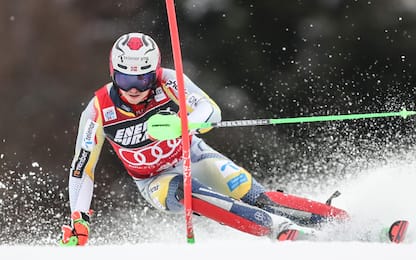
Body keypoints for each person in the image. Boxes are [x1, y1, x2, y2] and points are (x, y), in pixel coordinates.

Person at [60, 32, 319, 246]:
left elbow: (211, 110)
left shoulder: (169, 81)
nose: (135, 89)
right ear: (113, 73)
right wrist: (79, 217)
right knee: (186, 191)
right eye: (125, 79)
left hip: (193, 154)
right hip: (154, 180)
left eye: (143, 78)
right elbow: (83, 169)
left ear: (155, 72)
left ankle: (331, 223)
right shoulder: (97, 110)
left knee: (255, 196)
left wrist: (184, 124)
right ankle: (278, 229)